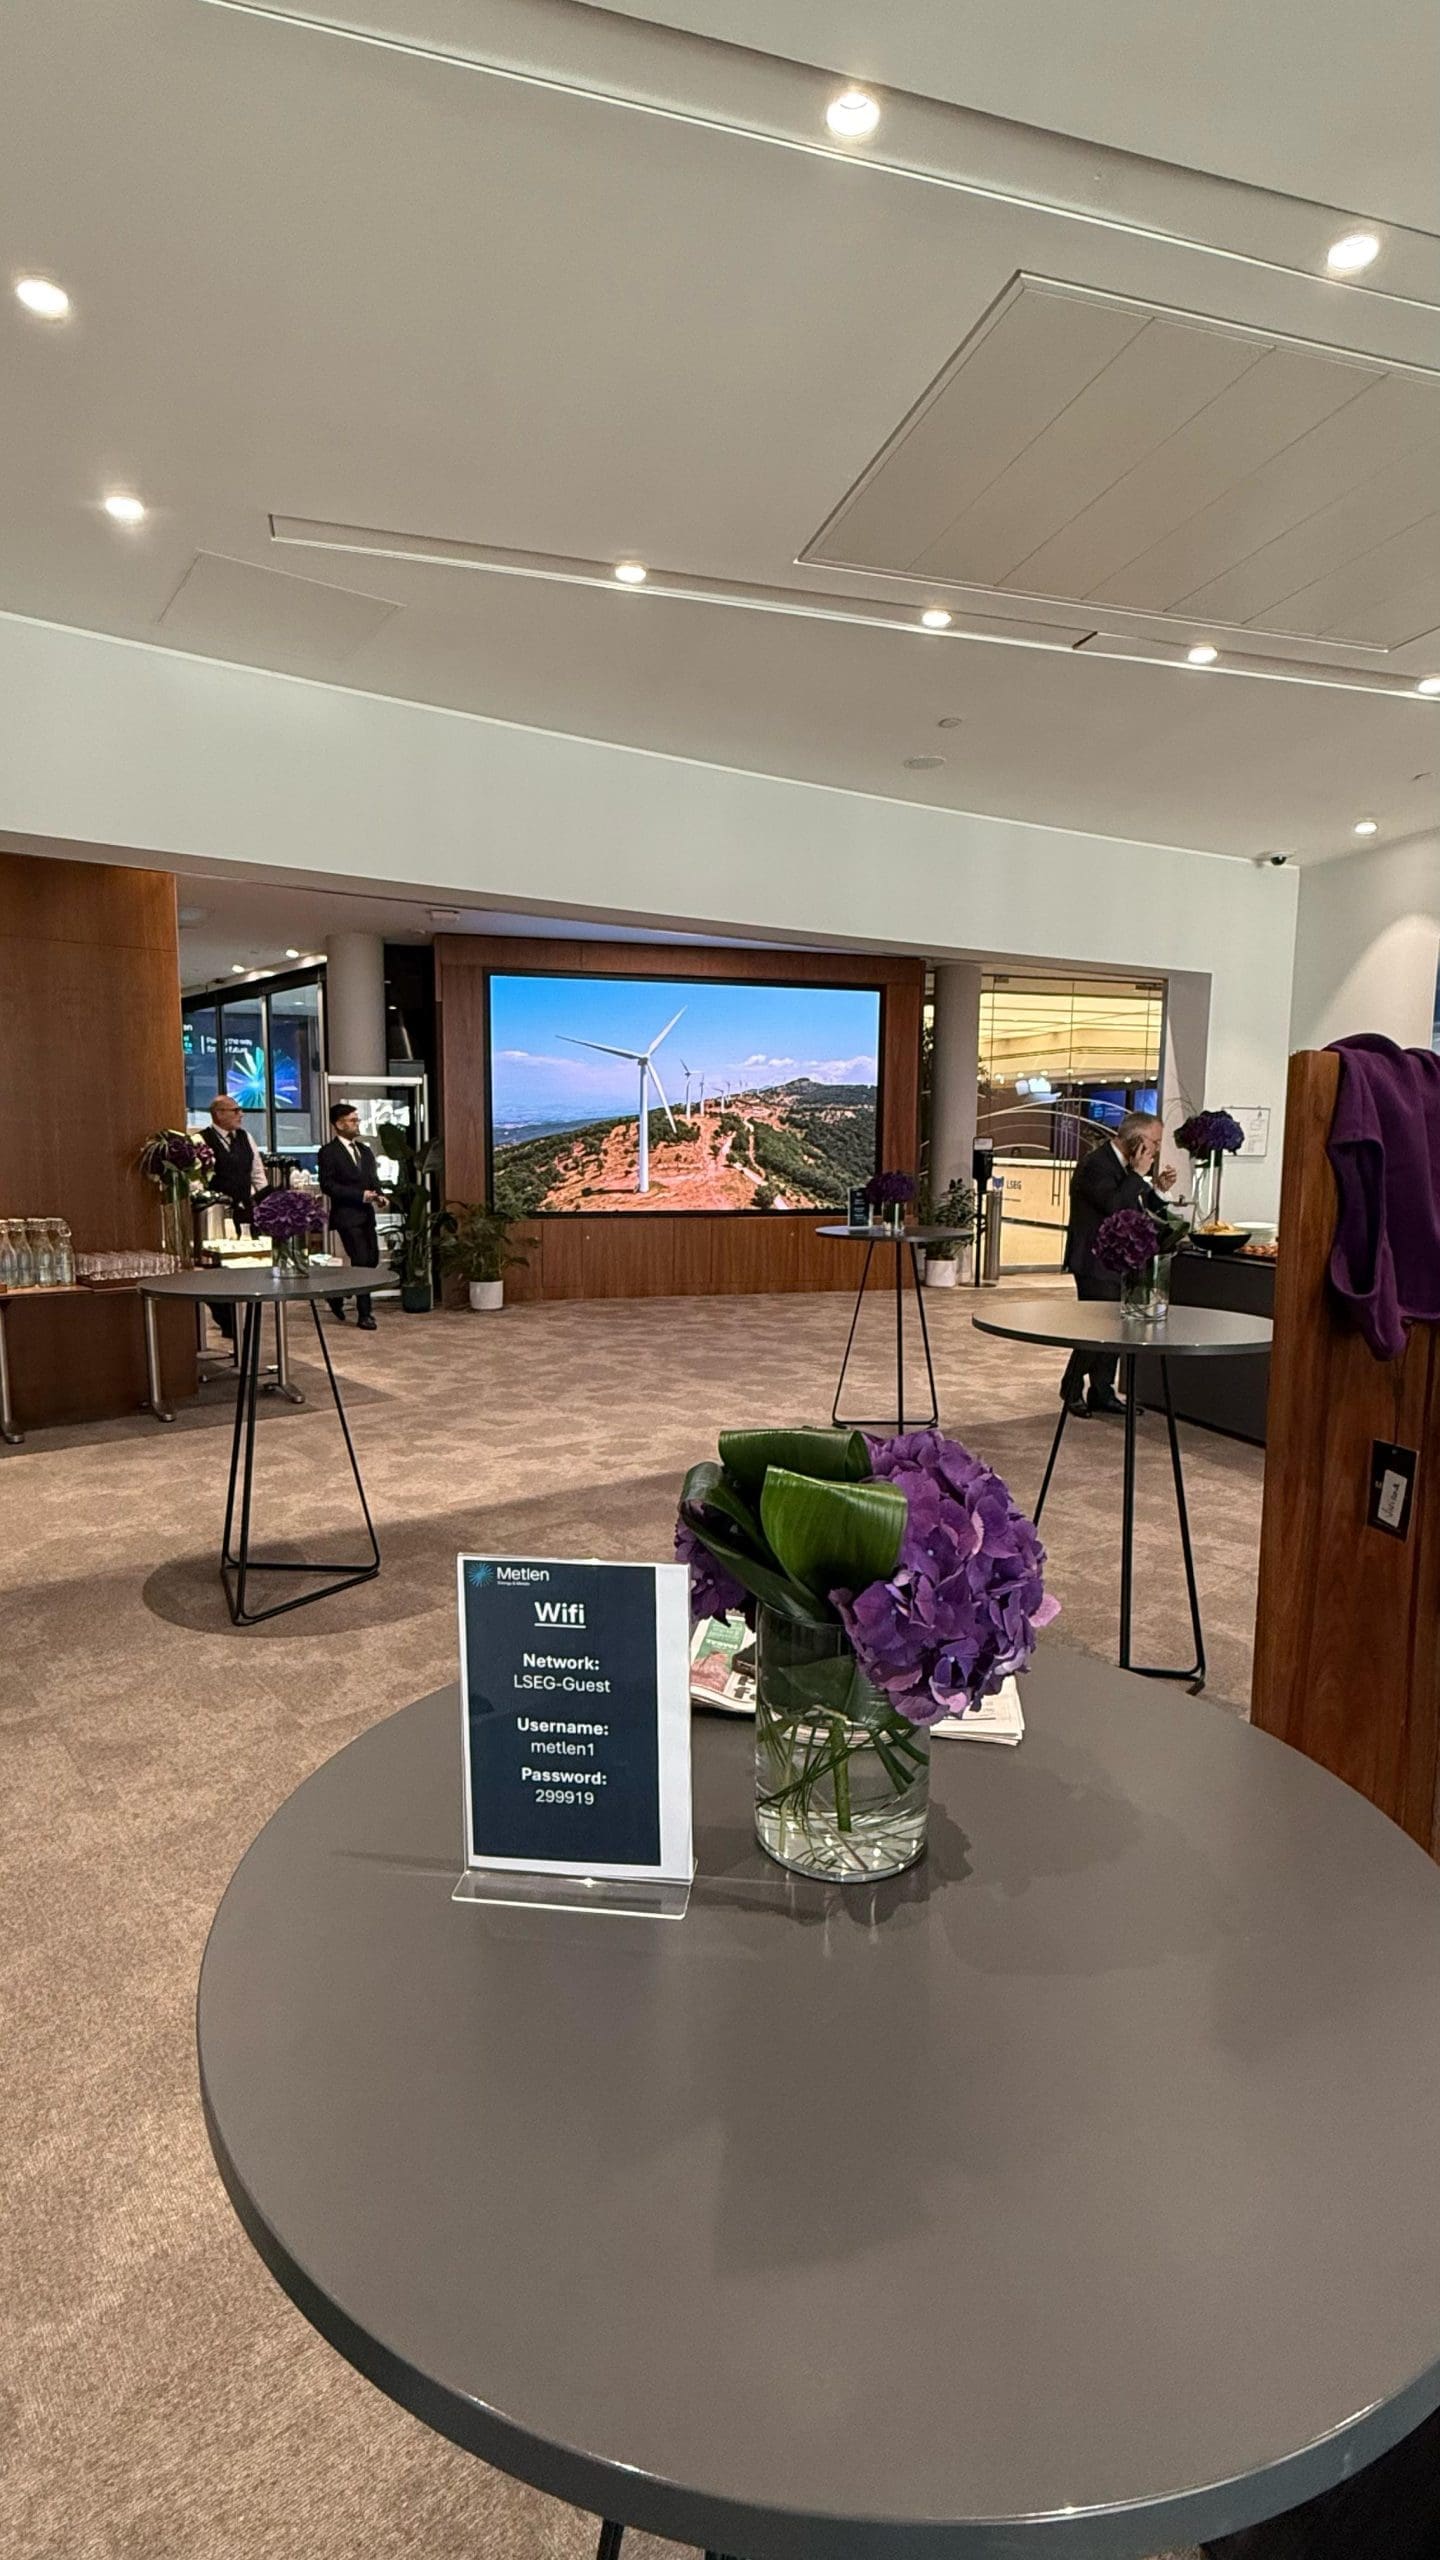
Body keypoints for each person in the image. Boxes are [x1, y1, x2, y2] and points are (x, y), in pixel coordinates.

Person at [1060, 1111, 1175, 1417]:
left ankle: (1102, 1390)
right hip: (1093, 1261)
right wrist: (1137, 1174)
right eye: (1154, 1141)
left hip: (1120, 1261)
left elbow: (1135, 1207)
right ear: (1137, 1139)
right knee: (1097, 1327)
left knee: (1116, 1328)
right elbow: (1113, 1207)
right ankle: (1071, 1387)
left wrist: (1157, 1189)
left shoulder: (1126, 1167)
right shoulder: (1095, 1165)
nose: (1156, 1149)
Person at [203, 1094, 268, 1343]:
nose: (241, 1114)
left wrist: (267, 1202)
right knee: (217, 1270)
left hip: (244, 1211)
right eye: (236, 1110)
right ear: (219, 1113)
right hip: (215, 1215)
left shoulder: (245, 1137)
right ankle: (226, 1318)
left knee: (248, 1264)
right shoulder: (202, 1140)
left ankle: (245, 1320)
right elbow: (199, 1180)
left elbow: (257, 1173)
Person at [318, 1102, 384, 1329]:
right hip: (346, 1215)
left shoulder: (364, 1151)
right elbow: (328, 1185)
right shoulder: (329, 1152)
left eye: (357, 1120)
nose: (357, 1124)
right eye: (353, 1120)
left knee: (372, 1260)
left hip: (366, 1215)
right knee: (361, 1262)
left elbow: (373, 1180)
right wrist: (359, 1195)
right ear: (339, 1124)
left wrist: (380, 1196)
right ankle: (365, 1314)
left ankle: (337, 1295)